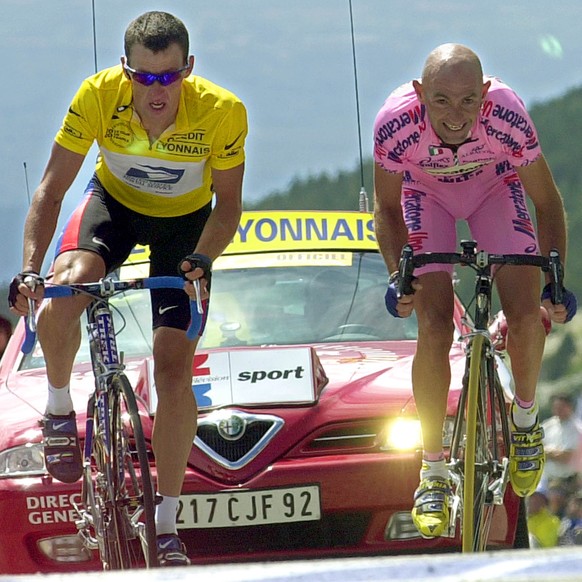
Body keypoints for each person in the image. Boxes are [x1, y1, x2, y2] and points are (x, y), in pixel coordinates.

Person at [8, 11, 247, 566]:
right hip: (112, 208)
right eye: (144, 76)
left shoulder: (222, 111)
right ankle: (60, 409)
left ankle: (165, 523)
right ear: (125, 69)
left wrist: (202, 259)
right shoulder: (98, 95)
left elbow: (229, 206)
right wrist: (28, 270)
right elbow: (51, 187)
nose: (156, 90)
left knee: (171, 367)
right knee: (66, 287)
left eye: (168, 76)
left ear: (189, 68)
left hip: (186, 226)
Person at [373, 43, 577, 538]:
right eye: (441, 101)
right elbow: (386, 209)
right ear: (420, 95)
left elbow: (546, 202)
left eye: (469, 101)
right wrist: (400, 276)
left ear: (485, 95)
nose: (456, 115)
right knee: (435, 326)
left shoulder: (507, 114)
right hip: (425, 197)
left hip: (494, 191)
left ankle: (525, 421)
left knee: (526, 314)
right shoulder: (395, 124)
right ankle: (433, 469)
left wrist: (555, 279)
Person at [540, 393, 582, 495]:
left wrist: (547, 452)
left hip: (569, 483)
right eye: (556, 407)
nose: (558, 410)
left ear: (570, 407)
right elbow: (535, 448)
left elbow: (569, 457)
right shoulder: (548, 425)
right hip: (548, 482)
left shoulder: (577, 429)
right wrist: (552, 453)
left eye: (561, 407)